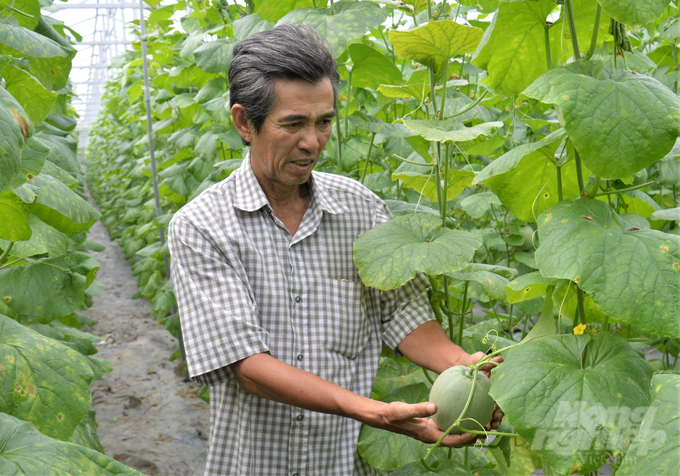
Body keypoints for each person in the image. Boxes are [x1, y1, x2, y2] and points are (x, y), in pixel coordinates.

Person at [167, 24, 503, 476]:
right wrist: (369, 410)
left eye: (324, 121)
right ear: (245, 122)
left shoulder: (361, 209)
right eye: (293, 125)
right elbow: (247, 366)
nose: (313, 142)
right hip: (252, 464)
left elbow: (400, 314)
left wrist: (468, 368)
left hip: (340, 463)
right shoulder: (201, 226)